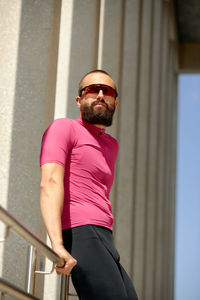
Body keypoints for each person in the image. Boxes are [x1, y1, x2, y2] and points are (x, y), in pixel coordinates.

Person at [40, 70, 138, 300]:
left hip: (105, 236)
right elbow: (50, 182)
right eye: (92, 90)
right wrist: (57, 243)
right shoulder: (64, 128)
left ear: (116, 101)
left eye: (108, 91)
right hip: (80, 232)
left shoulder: (111, 145)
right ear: (79, 100)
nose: (101, 95)